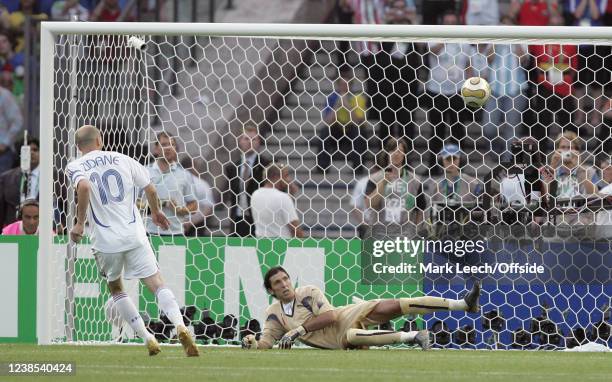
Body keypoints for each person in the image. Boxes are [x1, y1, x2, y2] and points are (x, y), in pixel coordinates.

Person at [67, 125, 199, 357]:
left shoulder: (75, 166)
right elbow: (150, 187)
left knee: (116, 288)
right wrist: (157, 212)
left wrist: (79, 223)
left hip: (106, 240)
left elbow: (85, 186)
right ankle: (180, 325)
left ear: (78, 147)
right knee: (157, 283)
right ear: (100, 140)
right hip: (135, 234)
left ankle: (147, 337)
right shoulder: (123, 159)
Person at [241, 267, 481, 350]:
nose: (284, 284)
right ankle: (416, 336)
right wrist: (252, 342)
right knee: (352, 337)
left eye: (285, 279)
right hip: (338, 339)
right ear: (271, 290)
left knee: (398, 304)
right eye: (277, 283)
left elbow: (331, 315)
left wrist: (299, 330)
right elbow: (266, 343)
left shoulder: (308, 292)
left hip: (345, 315)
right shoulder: (274, 313)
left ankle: (463, 304)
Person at [365, 139, 426, 238]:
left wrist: (416, 231)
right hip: (379, 235)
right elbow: (369, 204)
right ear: (387, 153)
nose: (396, 154)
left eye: (400, 151)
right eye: (393, 150)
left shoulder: (415, 181)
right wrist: (383, 183)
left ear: (404, 155)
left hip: (405, 235)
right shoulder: (375, 178)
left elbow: (421, 208)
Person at [145, 132, 198, 236]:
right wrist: (153, 205)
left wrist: (180, 210)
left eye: (172, 144)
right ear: (156, 149)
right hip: (148, 232)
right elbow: (132, 201)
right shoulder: (145, 171)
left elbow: (194, 206)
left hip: (175, 233)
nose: (168, 148)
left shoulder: (184, 175)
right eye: (164, 145)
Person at [315, 69, 367, 173]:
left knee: (359, 133)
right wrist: (337, 105)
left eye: (347, 84)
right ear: (338, 85)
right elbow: (327, 122)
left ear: (351, 86)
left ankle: (358, 168)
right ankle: (322, 167)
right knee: (324, 132)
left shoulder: (358, 98)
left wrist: (347, 106)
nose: (344, 87)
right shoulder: (331, 98)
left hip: (351, 129)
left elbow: (357, 122)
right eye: (342, 84)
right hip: (337, 129)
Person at [224, 124, 270, 237]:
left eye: (253, 139)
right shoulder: (232, 168)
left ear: (259, 142)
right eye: (246, 139)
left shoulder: (266, 165)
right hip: (237, 219)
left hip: (258, 220)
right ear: (240, 141)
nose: (250, 142)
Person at [251, 163, 304, 238]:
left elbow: (274, 208)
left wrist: (290, 195)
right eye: (286, 176)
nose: (289, 180)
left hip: (261, 243)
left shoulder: (255, 194)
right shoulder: (283, 198)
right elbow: (295, 229)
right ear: (277, 177)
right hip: (281, 245)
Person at [0, 138, 39, 227]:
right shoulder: (6, 178)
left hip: (46, 232)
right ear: (20, 154)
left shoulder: (54, 177)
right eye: (27, 150)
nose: (32, 153)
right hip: (13, 232)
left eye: (35, 150)